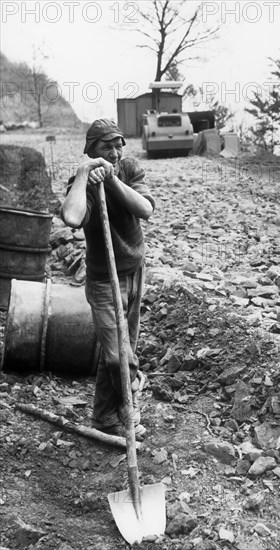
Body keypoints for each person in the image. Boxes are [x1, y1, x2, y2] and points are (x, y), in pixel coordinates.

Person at [61, 118, 155, 439]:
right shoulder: (83, 180)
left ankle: (102, 416)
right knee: (118, 356)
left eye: (118, 145)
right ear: (91, 150)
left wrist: (112, 179)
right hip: (104, 280)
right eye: (106, 147)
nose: (114, 152)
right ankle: (129, 412)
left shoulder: (127, 168)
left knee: (121, 348)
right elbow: (72, 217)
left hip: (134, 269)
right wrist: (86, 174)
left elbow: (145, 209)